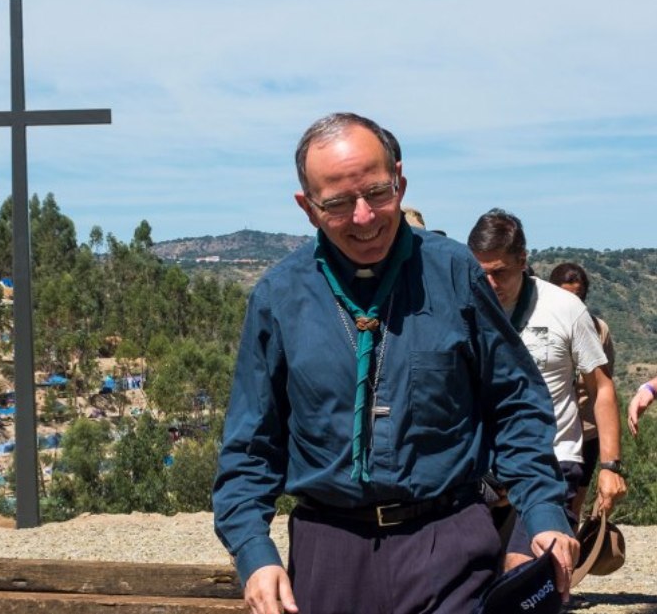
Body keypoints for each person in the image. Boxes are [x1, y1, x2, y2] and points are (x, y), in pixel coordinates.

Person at [212, 113, 578, 614]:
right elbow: (251, 447)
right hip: (328, 554)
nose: (364, 217)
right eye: (338, 204)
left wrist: (543, 509)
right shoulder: (279, 296)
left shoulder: (454, 273)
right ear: (308, 208)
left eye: (378, 194)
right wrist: (254, 553)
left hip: (450, 544)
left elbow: (514, 400)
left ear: (400, 182)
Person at [466, 210, 627, 572]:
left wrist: (610, 466)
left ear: (523, 260)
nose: (490, 283)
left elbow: (601, 387)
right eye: (482, 272)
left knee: (524, 570)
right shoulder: (465, 307)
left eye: (500, 272)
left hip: (555, 458)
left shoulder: (564, 308)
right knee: (470, 576)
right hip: (484, 467)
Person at [548, 262, 617, 520]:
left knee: (575, 501)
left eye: (577, 296)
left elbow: (604, 380)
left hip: (587, 430)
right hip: (553, 427)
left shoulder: (599, 330)